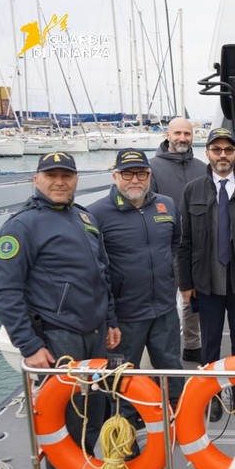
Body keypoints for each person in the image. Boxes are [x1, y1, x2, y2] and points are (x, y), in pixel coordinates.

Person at [0, 151, 121, 469]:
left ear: (76, 179)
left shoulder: (84, 217)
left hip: (95, 335)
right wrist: (29, 346)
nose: (60, 182)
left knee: (93, 414)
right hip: (59, 338)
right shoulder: (22, 226)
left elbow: (102, 274)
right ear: (37, 179)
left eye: (67, 175)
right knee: (65, 423)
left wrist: (110, 320)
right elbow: (6, 292)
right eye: (51, 176)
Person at [177, 127, 235, 422]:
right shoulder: (192, 190)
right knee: (210, 342)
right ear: (208, 154)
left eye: (228, 150)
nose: (222, 155)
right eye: (217, 150)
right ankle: (212, 394)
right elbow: (184, 241)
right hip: (206, 280)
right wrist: (185, 283)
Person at [89, 149, 184, 415]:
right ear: (115, 176)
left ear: (149, 175)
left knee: (170, 366)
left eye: (141, 174)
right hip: (124, 315)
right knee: (122, 374)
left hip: (164, 308)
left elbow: (175, 244)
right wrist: (109, 318)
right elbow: (95, 270)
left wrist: (169, 278)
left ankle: (178, 413)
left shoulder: (167, 205)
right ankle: (126, 423)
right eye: (127, 174)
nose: (135, 180)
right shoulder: (96, 214)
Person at [149, 116, 208, 364]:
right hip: (165, 246)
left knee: (192, 296)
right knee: (165, 299)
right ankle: (167, 350)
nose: (182, 138)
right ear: (167, 135)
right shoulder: (152, 168)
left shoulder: (202, 167)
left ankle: (192, 344)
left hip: (196, 245)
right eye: (178, 133)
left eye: (187, 133)